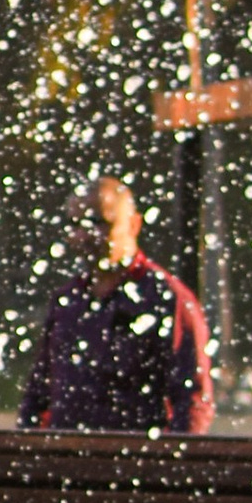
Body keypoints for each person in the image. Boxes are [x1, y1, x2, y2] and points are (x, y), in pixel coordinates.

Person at [19, 176, 213, 436]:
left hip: (136, 464)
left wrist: (167, 466)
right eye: (76, 224)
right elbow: (38, 394)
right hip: (66, 462)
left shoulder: (166, 300)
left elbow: (192, 402)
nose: (86, 236)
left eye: (101, 223)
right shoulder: (69, 300)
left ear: (134, 224)